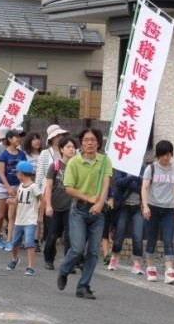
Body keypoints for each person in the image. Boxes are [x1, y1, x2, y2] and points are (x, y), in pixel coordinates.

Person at [57, 128, 112, 300]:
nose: (90, 143)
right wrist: (88, 198)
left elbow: (106, 184)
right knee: (77, 248)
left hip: (98, 213)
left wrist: (100, 203)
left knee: (94, 252)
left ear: (98, 142)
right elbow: (69, 189)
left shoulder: (104, 161)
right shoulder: (74, 162)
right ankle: (64, 269)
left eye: (93, 140)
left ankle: (83, 286)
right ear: (81, 143)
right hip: (79, 210)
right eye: (86, 140)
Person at [141, 140, 174, 284]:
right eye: (163, 154)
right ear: (158, 155)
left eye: (168, 154)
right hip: (152, 207)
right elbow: (145, 188)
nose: (166, 157)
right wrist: (145, 206)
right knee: (151, 240)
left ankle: (169, 271)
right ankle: (151, 268)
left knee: (168, 240)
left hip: (169, 209)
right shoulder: (151, 168)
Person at [43, 136, 76, 270]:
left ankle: (68, 264)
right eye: (68, 147)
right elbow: (48, 187)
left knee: (69, 236)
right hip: (55, 207)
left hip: (71, 207)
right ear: (61, 149)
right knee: (52, 236)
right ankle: (49, 259)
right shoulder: (55, 165)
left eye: (73, 147)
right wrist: (48, 205)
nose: (72, 149)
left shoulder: (76, 166)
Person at [0, 128, 27, 250]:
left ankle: (9, 241)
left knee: (12, 215)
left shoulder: (22, 154)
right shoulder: (4, 154)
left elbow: (24, 172)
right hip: (2, 186)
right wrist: (8, 187)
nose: (18, 139)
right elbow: (1, 173)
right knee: (1, 215)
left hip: (16, 186)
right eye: (16, 137)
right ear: (9, 139)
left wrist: (19, 186)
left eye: (19, 137)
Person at [6, 161, 42, 276]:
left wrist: (40, 216)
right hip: (19, 220)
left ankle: (31, 266)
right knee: (15, 242)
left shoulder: (33, 187)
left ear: (20, 173)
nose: (16, 175)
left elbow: (43, 200)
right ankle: (14, 259)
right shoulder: (21, 186)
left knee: (29, 242)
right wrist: (11, 201)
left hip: (30, 220)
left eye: (16, 173)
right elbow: (18, 199)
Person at [109, 168, 145, 274]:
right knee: (119, 236)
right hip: (124, 207)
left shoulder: (142, 169)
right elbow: (118, 182)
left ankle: (137, 263)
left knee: (138, 237)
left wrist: (130, 184)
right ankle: (115, 257)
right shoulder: (122, 167)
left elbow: (145, 187)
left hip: (138, 208)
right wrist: (133, 179)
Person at [23, 131, 43, 252]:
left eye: (38, 139)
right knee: (26, 212)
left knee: (38, 214)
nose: (37, 141)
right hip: (28, 186)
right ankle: (25, 238)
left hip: (40, 186)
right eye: (34, 139)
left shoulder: (44, 154)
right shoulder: (25, 155)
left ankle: (35, 240)